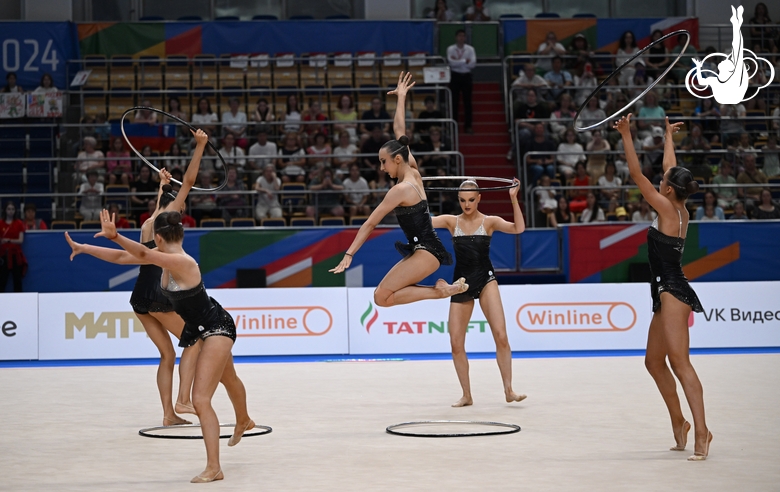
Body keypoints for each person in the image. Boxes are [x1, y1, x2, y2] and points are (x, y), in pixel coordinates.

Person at [95, 207, 254, 483]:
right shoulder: (166, 259)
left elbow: (141, 254)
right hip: (199, 328)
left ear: (157, 238)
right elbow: (127, 257)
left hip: (216, 327)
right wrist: (86, 247)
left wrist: (116, 235)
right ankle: (244, 420)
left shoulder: (182, 261)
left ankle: (214, 467)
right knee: (229, 378)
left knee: (200, 399)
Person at [65, 134, 206, 423]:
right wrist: (200, 145)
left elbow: (121, 257)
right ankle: (182, 401)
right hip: (160, 295)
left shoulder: (149, 224)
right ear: (176, 207)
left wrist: (84, 248)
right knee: (195, 340)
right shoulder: (171, 217)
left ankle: (168, 415)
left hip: (140, 296)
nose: (183, 210)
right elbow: (189, 181)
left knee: (168, 355)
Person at [615, 113, 711, 461]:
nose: (661, 179)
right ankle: (679, 423)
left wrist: (626, 135)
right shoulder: (677, 206)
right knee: (654, 362)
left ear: (668, 190)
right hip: (664, 291)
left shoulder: (667, 210)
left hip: (673, 291)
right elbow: (671, 168)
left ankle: (702, 433)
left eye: (664, 181)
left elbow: (637, 175)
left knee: (681, 363)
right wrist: (668, 136)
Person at [331, 72, 467, 304]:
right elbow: (399, 133)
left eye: (383, 162)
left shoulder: (400, 190)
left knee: (382, 298)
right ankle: (441, 288)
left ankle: (441, 290)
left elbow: (370, 223)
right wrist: (401, 97)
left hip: (427, 251)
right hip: (425, 249)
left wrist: (349, 253)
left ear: (396, 160)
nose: (381, 168)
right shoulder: (413, 170)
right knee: (381, 297)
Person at [429, 179, 526, 406]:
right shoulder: (451, 222)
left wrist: (513, 198)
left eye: (471, 199)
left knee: (501, 336)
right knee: (455, 343)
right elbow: (420, 221)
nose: (467, 204)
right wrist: (410, 191)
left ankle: (509, 390)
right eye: (462, 200)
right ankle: (467, 395)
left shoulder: (489, 221)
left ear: (479, 198)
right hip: (460, 283)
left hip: (485, 279)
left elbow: (518, 228)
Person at [447, 29, 476, 134]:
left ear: (465, 38)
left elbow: (472, 64)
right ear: (456, 37)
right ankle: (454, 126)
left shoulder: (470, 49)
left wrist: (458, 61)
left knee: (467, 102)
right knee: (454, 102)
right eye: (459, 36)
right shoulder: (450, 49)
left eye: (463, 36)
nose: (461, 38)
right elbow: (451, 63)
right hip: (455, 76)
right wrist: (464, 61)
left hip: (466, 76)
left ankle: (468, 126)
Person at [0, 201, 26, 292]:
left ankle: (19, 300)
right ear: (5, 210)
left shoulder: (19, 223)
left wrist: (8, 240)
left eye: (12, 209)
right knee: (2, 279)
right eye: (8, 209)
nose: (10, 211)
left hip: (15, 255)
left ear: (15, 211)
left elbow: (20, 240)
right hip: (3, 255)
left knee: (17, 279)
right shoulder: (0, 223)